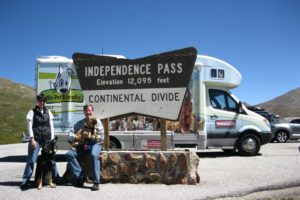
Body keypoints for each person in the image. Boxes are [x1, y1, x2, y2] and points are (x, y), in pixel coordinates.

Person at [20, 93, 58, 190]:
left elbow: (51, 126)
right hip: (36, 139)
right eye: (40, 100)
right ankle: (25, 181)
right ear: (37, 101)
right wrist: (31, 139)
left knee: (52, 160)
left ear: (45, 102)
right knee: (31, 160)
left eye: (43, 101)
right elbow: (29, 126)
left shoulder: (48, 112)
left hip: (47, 139)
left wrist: (52, 140)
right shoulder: (31, 112)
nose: (42, 102)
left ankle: (55, 178)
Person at [65, 104, 104, 191]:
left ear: (92, 111)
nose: (88, 112)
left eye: (90, 110)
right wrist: (77, 137)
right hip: (82, 145)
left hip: (95, 144)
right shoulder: (80, 123)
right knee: (69, 154)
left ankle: (96, 182)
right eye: (86, 110)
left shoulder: (97, 122)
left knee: (94, 155)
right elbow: (70, 134)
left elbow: (102, 137)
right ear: (84, 112)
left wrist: (91, 137)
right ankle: (80, 176)